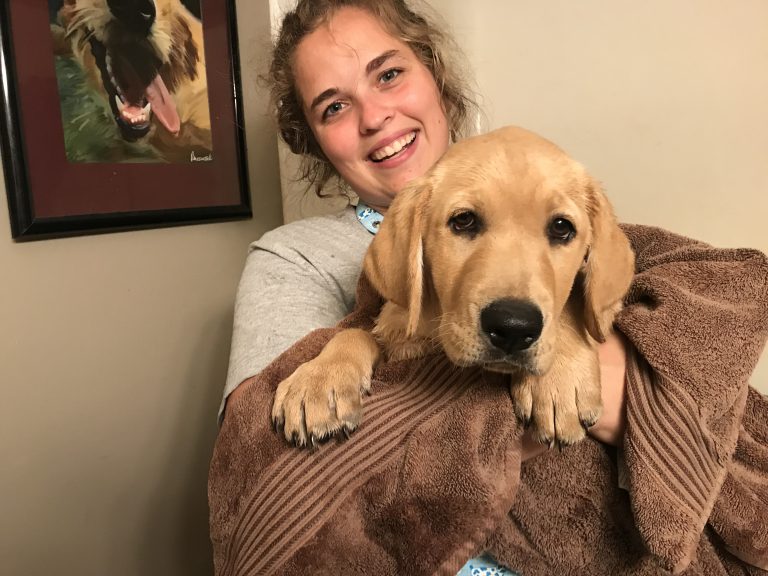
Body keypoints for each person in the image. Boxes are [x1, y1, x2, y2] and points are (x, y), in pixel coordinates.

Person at [214, 0, 760, 574]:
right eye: (333, 106)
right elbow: (270, 458)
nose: (373, 116)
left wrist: (578, 336)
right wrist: (348, 348)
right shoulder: (293, 258)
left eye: (389, 73)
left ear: (435, 75)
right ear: (313, 137)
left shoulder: (540, 176)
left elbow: (687, 305)